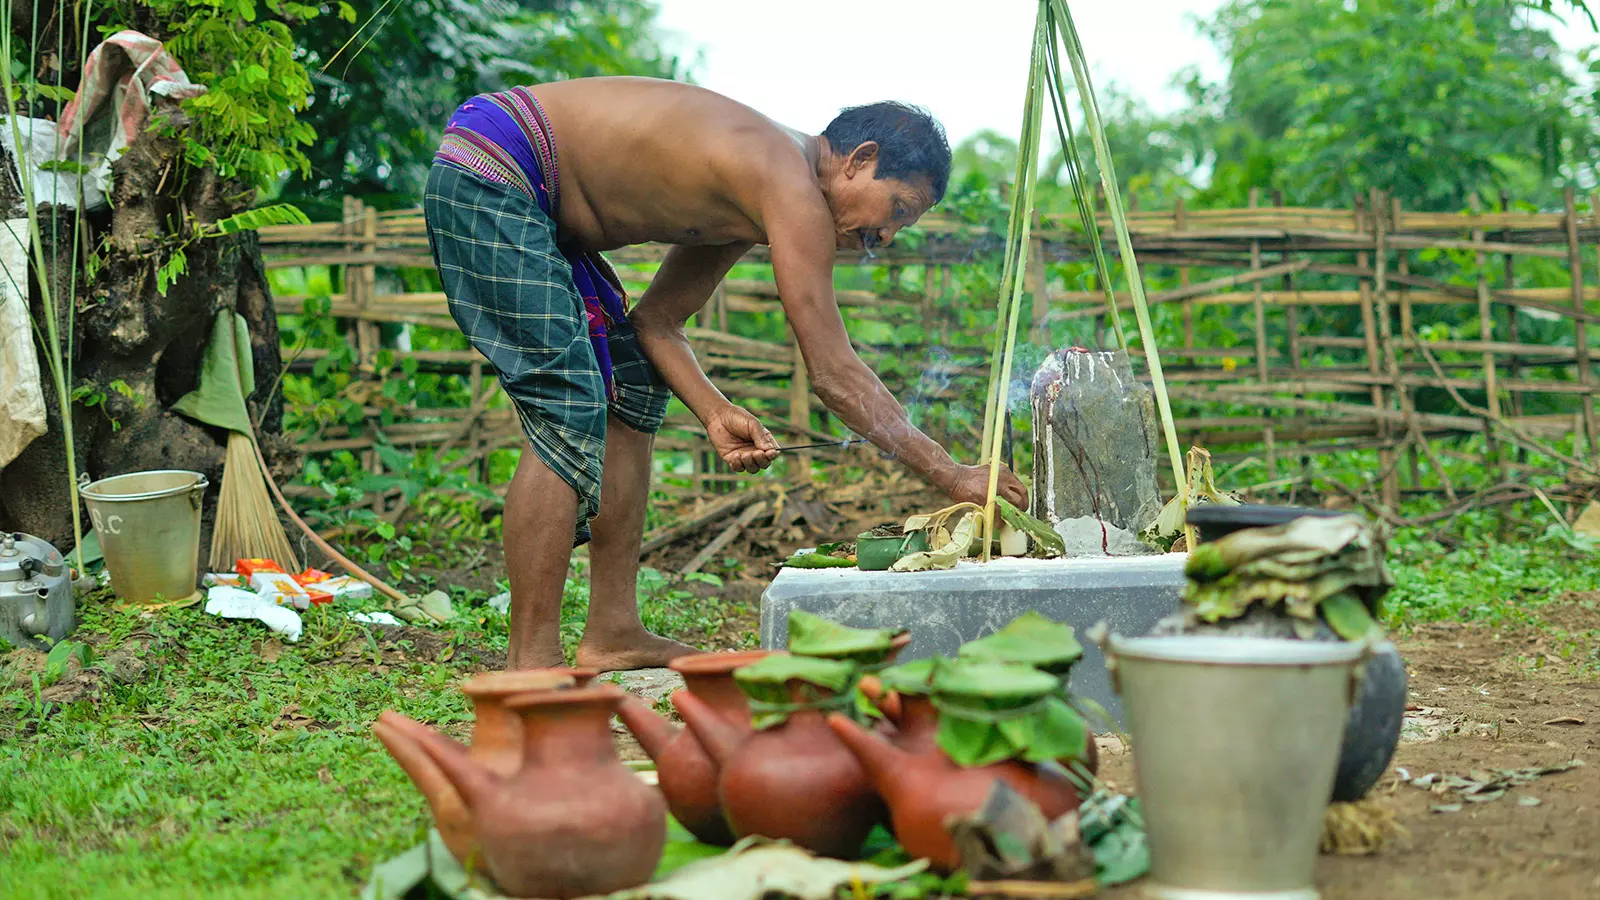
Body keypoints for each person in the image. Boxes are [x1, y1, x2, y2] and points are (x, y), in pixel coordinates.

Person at [424, 76, 1029, 671]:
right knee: (569, 399)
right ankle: (532, 662)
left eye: (903, 226)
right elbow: (834, 374)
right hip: (497, 168)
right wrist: (951, 473)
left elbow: (657, 323)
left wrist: (714, 411)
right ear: (859, 160)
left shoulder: (755, 197)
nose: (887, 236)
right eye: (897, 208)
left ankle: (612, 629)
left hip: (536, 200)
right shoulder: (787, 183)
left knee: (629, 382)